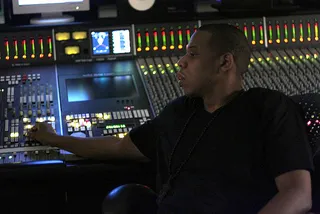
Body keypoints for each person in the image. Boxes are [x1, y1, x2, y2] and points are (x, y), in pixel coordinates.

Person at [29, 24, 314, 214]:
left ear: (224, 62)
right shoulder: (180, 112)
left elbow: (298, 195)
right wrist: (53, 138)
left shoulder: (268, 107)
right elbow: (118, 147)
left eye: (192, 54)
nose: (181, 62)